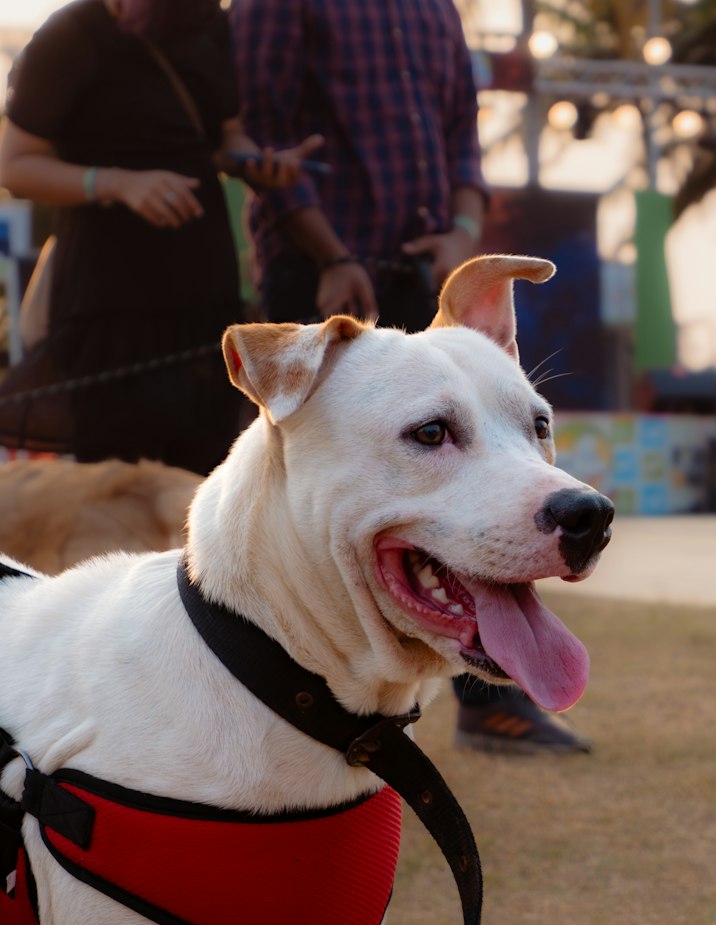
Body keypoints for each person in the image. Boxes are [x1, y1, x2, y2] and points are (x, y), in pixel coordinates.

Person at [229, 0, 590, 755]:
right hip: (323, 275)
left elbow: (462, 135)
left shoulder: (434, 9)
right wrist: (329, 254)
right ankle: (263, 703)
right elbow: (261, 129)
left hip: (421, 261)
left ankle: (490, 700)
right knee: (312, 506)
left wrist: (462, 227)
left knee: (457, 499)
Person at [0, 0, 321, 476]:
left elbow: (227, 136)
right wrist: (115, 184)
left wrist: (260, 164)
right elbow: (14, 165)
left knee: (207, 479)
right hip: (110, 308)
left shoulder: (208, 23)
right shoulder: (71, 33)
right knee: (121, 492)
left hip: (203, 300)